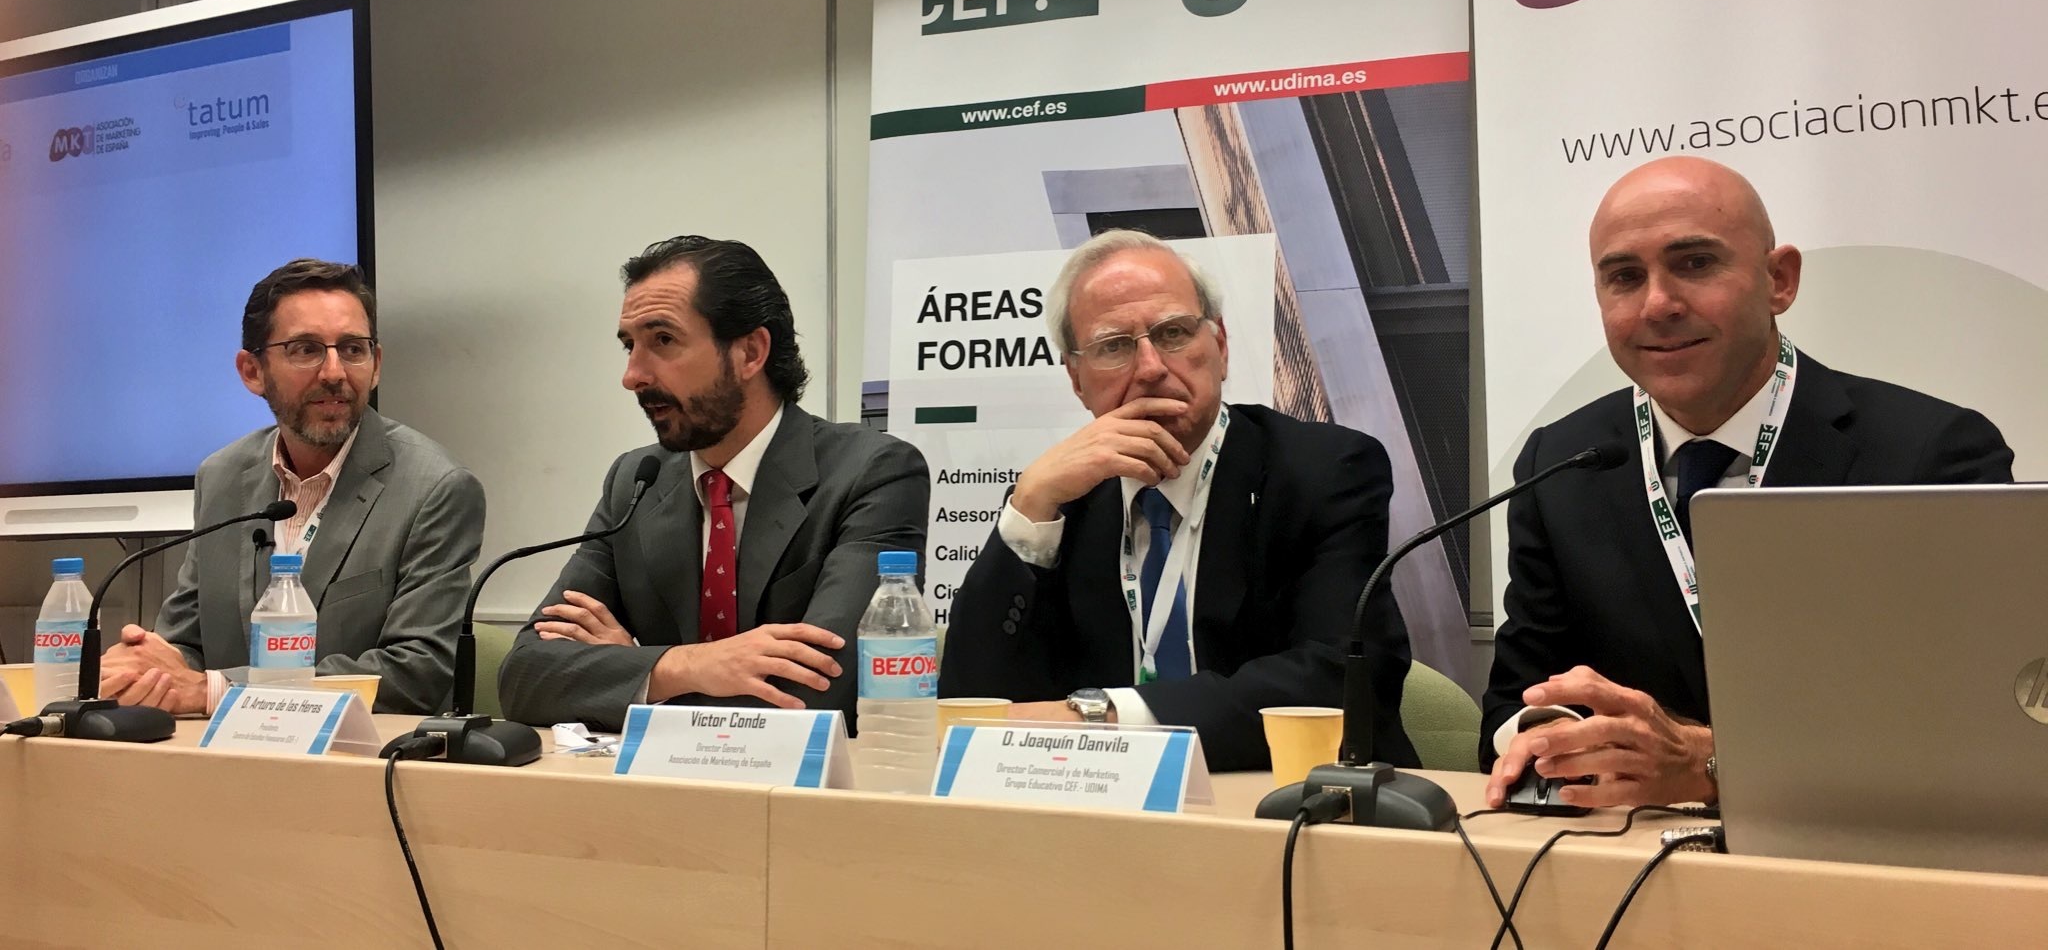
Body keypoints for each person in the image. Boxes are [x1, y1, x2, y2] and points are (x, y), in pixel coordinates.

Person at [1483, 157, 2013, 809]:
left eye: (1695, 263)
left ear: (1779, 280)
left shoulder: (1930, 454)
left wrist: (1711, 763)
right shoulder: (1562, 461)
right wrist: (1561, 735)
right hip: (1626, 852)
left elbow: (1985, 723)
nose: (1658, 304)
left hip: (1862, 847)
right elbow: (1514, 703)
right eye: (1624, 277)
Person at [939, 230, 1419, 772]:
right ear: (1076, 379)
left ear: (1221, 347)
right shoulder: (1064, 498)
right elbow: (969, 702)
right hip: (1102, 805)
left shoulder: (1322, 471)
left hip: (1289, 795)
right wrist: (1028, 506)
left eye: (1172, 333)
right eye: (1114, 346)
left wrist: (1103, 718)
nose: (1149, 368)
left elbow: (1339, 681)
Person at [498, 235, 930, 732]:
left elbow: (812, 693)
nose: (632, 376)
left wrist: (638, 674)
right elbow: (525, 678)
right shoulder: (636, 481)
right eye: (629, 345)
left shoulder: (872, 473)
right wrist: (685, 665)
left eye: (663, 340)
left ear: (750, 352)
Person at [100, 260, 486, 715]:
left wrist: (215, 691)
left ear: (376, 365)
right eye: (306, 349)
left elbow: (416, 672)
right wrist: (143, 668)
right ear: (252, 371)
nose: (334, 372)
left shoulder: (435, 488)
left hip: (356, 753)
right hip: (219, 750)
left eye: (353, 349)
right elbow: (187, 641)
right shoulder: (222, 476)